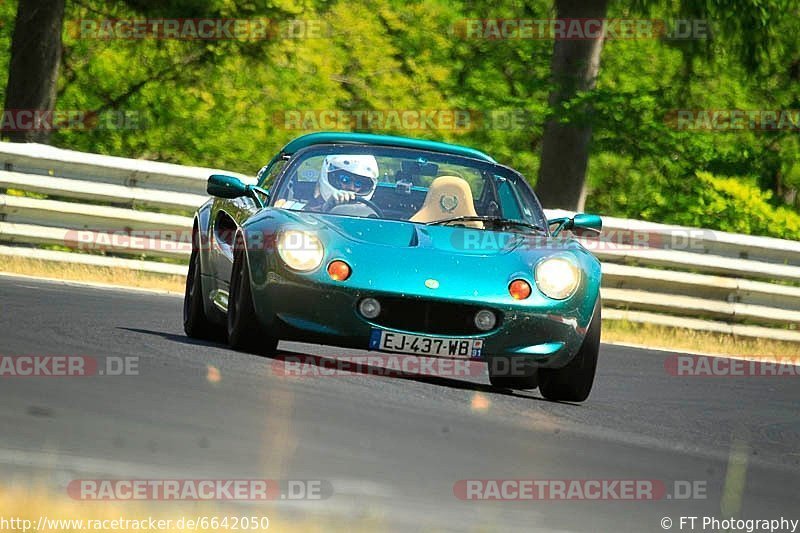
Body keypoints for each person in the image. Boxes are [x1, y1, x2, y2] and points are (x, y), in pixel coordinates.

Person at [305, 154, 379, 212]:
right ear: (333, 178)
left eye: (358, 183)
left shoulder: (369, 215)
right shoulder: (308, 209)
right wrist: (327, 206)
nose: (351, 187)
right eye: (345, 179)